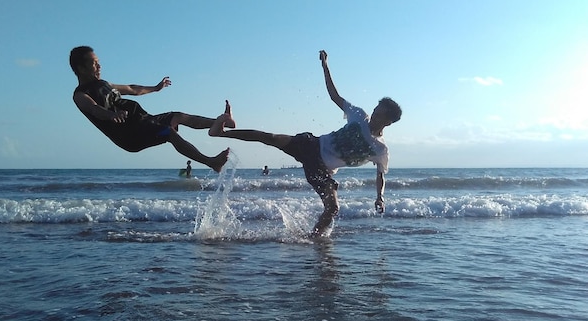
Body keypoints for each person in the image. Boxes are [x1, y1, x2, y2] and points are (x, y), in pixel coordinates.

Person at [209, 50, 402, 236]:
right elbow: (335, 95)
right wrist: (325, 66)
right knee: (271, 138)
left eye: (380, 114)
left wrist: (380, 197)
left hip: (321, 169)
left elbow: (380, 175)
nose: (374, 114)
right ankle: (222, 133)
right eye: (376, 109)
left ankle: (313, 239)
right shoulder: (359, 115)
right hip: (311, 145)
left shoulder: (380, 149)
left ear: (388, 122)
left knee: (333, 208)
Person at [69, 46, 232, 172]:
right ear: (81, 68)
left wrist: (155, 88)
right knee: (169, 132)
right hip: (132, 134)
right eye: (94, 63)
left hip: (145, 121)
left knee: (178, 116)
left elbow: (132, 89)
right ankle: (211, 162)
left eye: (98, 62)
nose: (99, 66)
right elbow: (94, 108)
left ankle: (219, 123)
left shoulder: (104, 84)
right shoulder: (80, 95)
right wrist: (111, 115)